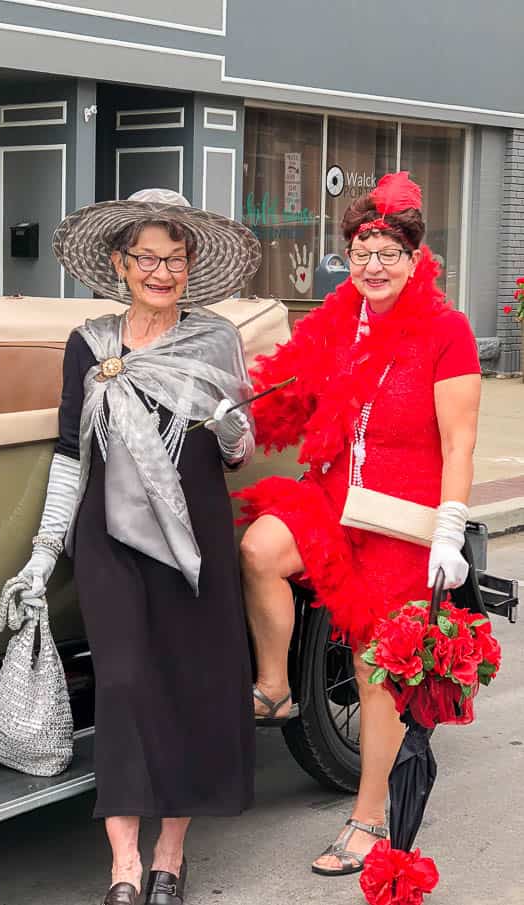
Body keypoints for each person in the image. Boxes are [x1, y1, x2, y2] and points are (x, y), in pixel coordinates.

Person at [9, 189, 261, 905]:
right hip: (108, 537)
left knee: (188, 686)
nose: (160, 271)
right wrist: (41, 550)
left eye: (173, 259)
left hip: (196, 537)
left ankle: (169, 857)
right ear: (119, 262)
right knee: (122, 687)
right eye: (146, 257)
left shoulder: (214, 341)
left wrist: (224, 418)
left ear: (190, 266)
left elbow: (241, 449)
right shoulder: (90, 343)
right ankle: (123, 863)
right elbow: (70, 453)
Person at [236, 173, 481, 876]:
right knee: (258, 546)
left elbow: (460, 441)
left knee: (379, 666)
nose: (372, 265)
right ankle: (277, 687)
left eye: (388, 252)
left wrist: (448, 529)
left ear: (416, 257)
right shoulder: (336, 320)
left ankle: (370, 815)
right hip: (330, 499)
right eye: (361, 250)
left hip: (402, 518)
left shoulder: (447, 331)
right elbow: (284, 392)